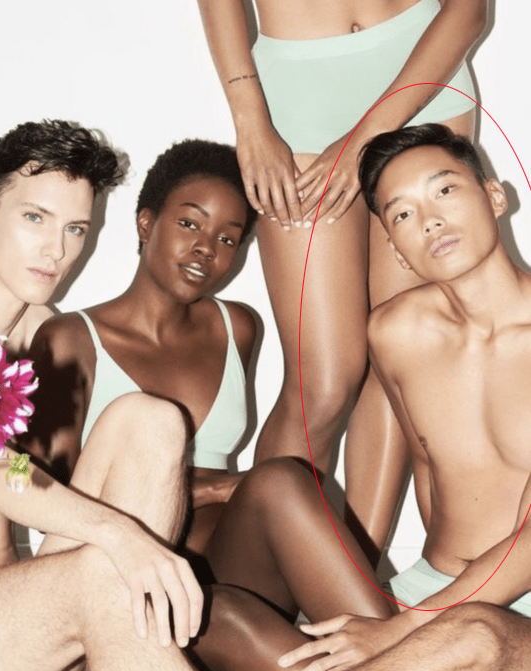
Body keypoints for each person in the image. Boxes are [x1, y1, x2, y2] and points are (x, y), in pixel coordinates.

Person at [22, 138, 394, 671]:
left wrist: (233, 489)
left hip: (227, 566)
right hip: (122, 589)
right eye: (190, 224)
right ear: (146, 223)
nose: (206, 249)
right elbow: (43, 495)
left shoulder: (236, 326)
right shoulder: (71, 339)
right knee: (245, 616)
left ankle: (403, 654)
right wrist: (217, 486)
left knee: (281, 480)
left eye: (227, 238)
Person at [0, 119, 238, 671]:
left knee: (150, 420)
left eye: (75, 229)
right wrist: (125, 538)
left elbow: (89, 477)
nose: (56, 250)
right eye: (34, 218)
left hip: (22, 635)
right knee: (101, 570)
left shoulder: (46, 330)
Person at [196, 0, 488, 563]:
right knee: (322, 384)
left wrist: (363, 139)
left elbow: (469, 9)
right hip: (296, 94)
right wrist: (250, 119)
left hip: (421, 75)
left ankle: (359, 576)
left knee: (401, 363)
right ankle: (256, 581)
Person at [272, 123, 531, 671]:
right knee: (274, 653)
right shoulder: (395, 333)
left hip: (503, 630)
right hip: (426, 591)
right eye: (404, 214)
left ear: (495, 196)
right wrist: (364, 583)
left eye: (445, 191)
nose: (431, 221)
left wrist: (399, 633)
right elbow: (420, 461)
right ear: (394, 247)